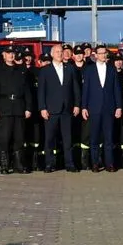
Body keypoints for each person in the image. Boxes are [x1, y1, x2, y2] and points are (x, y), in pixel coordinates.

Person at [0, 46, 34, 173]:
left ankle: (19, 164)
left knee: (19, 138)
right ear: (4, 55)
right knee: (5, 138)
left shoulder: (21, 70)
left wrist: (28, 107)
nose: (11, 55)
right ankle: (4, 165)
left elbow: (27, 91)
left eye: (13, 53)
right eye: (9, 53)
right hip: (4, 107)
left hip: (19, 106)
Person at [81, 45, 123, 171]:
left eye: (104, 53)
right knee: (94, 137)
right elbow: (86, 90)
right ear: (95, 55)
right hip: (94, 108)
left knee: (108, 137)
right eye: (100, 53)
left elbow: (117, 89)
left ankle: (109, 163)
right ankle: (95, 163)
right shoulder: (89, 70)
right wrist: (84, 107)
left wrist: (119, 107)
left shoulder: (112, 70)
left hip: (109, 108)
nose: (103, 55)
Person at [37, 44, 78, 172]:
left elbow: (75, 89)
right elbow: (41, 91)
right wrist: (42, 108)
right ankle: (49, 164)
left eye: (61, 51)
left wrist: (77, 105)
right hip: (51, 109)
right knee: (49, 138)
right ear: (52, 54)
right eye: (57, 52)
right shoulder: (45, 70)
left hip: (67, 109)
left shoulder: (70, 69)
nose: (60, 54)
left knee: (68, 138)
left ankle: (69, 163)